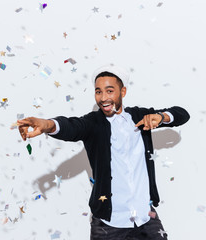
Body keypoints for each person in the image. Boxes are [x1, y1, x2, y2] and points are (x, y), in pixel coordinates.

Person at [17, 64, 190, 240]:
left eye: (109, 91)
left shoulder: (140, 116)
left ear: (123, 92)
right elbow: (71, 126)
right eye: (98, 91)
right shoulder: (93, 123)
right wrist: (47, 125)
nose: (103, 98)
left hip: (146, 217)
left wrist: (162, 117)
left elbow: (182, 114)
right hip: (109, 224)